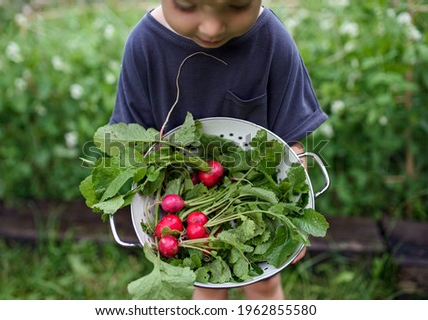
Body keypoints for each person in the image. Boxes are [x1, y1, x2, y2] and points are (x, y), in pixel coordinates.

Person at [109, 0, 327, 300]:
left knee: (264, 282)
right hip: (180, 210)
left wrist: (298, 217)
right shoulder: (145, 45)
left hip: (258, 200)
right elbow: (128, 140)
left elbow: (291, 141)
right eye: (187, 5)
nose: (212, 28)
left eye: (237, 6)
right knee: (204, 282)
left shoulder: (272, 41)